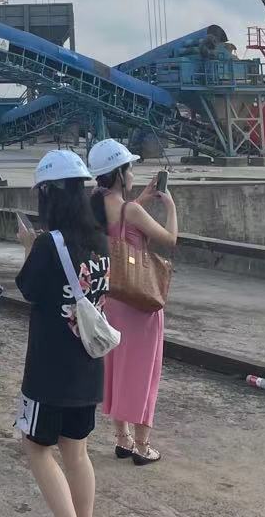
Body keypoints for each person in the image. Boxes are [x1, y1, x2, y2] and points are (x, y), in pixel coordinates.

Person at [16, 150, 109, 517]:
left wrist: (28, 248)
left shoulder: (48, 244)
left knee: (36, 447)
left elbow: (29, 289)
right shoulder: (100, 240)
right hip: (88, 366)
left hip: (49, 371)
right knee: (77, 451)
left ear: (48, 194)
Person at [89, 138, 176, 466]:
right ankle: (142, 446)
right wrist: (170, 206)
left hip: (111, 297)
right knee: (144, 370)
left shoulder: (94, 203)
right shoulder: (132, 210)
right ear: (119, 173)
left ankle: (122, 439)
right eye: (129, 168)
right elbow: (170, 239)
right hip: (140, 300)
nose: (133, 173)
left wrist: (140, 199)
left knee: (118, 366)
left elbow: (119, 227)